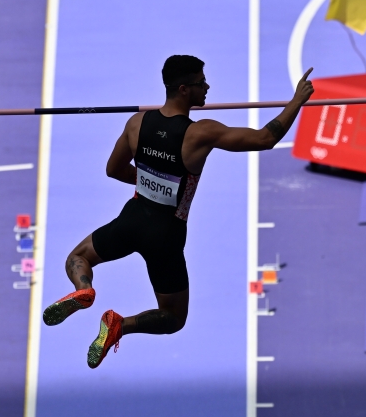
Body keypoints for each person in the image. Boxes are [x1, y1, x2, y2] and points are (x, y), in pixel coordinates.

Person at [42, 55, 315, 368]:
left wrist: (148, 177)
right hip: (166, 236)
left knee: (78, 257)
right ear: (184, 89)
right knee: (173, 317)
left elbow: (113, 169)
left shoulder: (137, 123)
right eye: (201, 82)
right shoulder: (201, 133)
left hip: (132, 219)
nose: (207, 87)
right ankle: (120, 325)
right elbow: (266, 138)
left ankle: (84, 289)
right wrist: (297, 100)